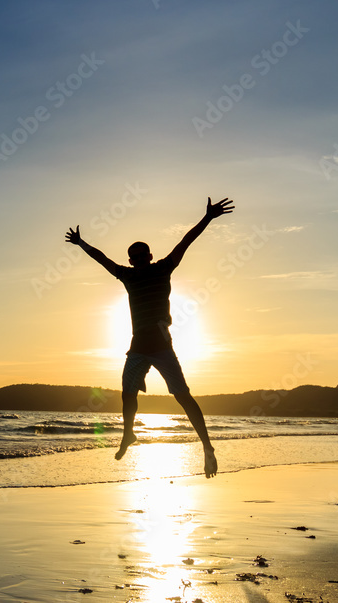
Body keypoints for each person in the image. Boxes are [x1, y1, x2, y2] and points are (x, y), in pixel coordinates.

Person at [65, 197, 234, 478]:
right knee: (127, 394)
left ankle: (207, 447)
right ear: (131, 261)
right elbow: (102, 258)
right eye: (136, 257)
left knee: (184, 397)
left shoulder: (163, 268)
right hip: (138, 348)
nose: (141, 259)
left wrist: (208, 218)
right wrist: (81, 243)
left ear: (150, 257)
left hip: (162, 347)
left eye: (145, 255)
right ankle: (128, 434)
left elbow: (185, 242)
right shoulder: (127, 276)